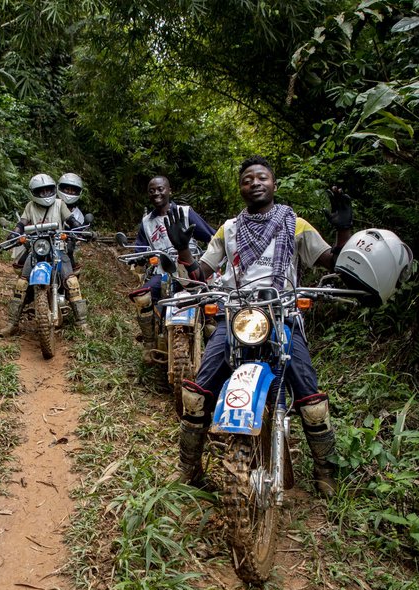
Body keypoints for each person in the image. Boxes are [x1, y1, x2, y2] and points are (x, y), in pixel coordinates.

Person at [166, 156, 353, 497]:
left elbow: (334, 262)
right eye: (247, 178)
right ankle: (188, 467)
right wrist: (182, 248)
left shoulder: (295, 224)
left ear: (274, 184)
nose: (255, 182)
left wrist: (343, 229)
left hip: (283, 315)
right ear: (240, 188)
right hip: (235, 315)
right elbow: (197, 277)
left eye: (262, 177)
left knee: (310, 396)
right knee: (197, 393)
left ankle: (326, 469)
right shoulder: (229, 229)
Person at [127, 176, 216, 352]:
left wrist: (211, 257)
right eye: (152, 191)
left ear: (169, 191)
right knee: (141, 296)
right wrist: (136, 257)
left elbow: (210, 236)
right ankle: (149, 343)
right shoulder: (146, 222)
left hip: (190, 267)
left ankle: (212, 340)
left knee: (209, 299)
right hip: (163, 272)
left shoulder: (185, 212)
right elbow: (141, 247)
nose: (156, 193)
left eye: (160, 189)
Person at [4, 173, 90, 334]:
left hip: (58, 246)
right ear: (33, 192)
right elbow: (21, 223)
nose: (45, 194)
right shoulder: (30, 206)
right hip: (36, 247)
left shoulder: (59, 204)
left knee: (71, 282)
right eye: (40, 191)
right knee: (21, 284)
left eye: (48, 190)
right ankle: (12, 323)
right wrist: (15, 233)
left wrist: (80, 229)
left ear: (53, 189)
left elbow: (71, 220)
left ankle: (82, 323)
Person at [58, 172, 91, 268]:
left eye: (73, 190)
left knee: (73, 267)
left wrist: (84, 233)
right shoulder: (52, 206)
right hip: (46, 242)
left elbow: (80, 232)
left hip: (66, 246)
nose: (69, 192)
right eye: (67, 189)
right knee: (26, 258)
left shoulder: (78, 214)